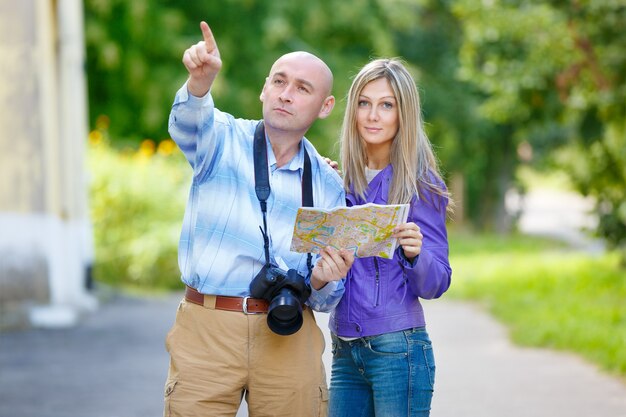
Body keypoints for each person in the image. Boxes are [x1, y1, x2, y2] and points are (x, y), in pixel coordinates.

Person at [163, 21, 354, 417]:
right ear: (264, 89)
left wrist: (322, 278)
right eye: (280, 82)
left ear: (325, 106)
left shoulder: (328, 184)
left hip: (289, 331)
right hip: (208, 328)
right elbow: (187, 123)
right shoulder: (221, 139)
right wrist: (199, 83)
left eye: (303, 88)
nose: (286, 95)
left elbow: (326, 298)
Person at [328, 58, 453, 416]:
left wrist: (416, 255)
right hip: (345, 350)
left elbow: (437, 282)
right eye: (364, 103)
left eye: (386, 105)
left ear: (404, 114)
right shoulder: (340, 182)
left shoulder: (421, 185)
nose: (372, 115)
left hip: (398, 351)